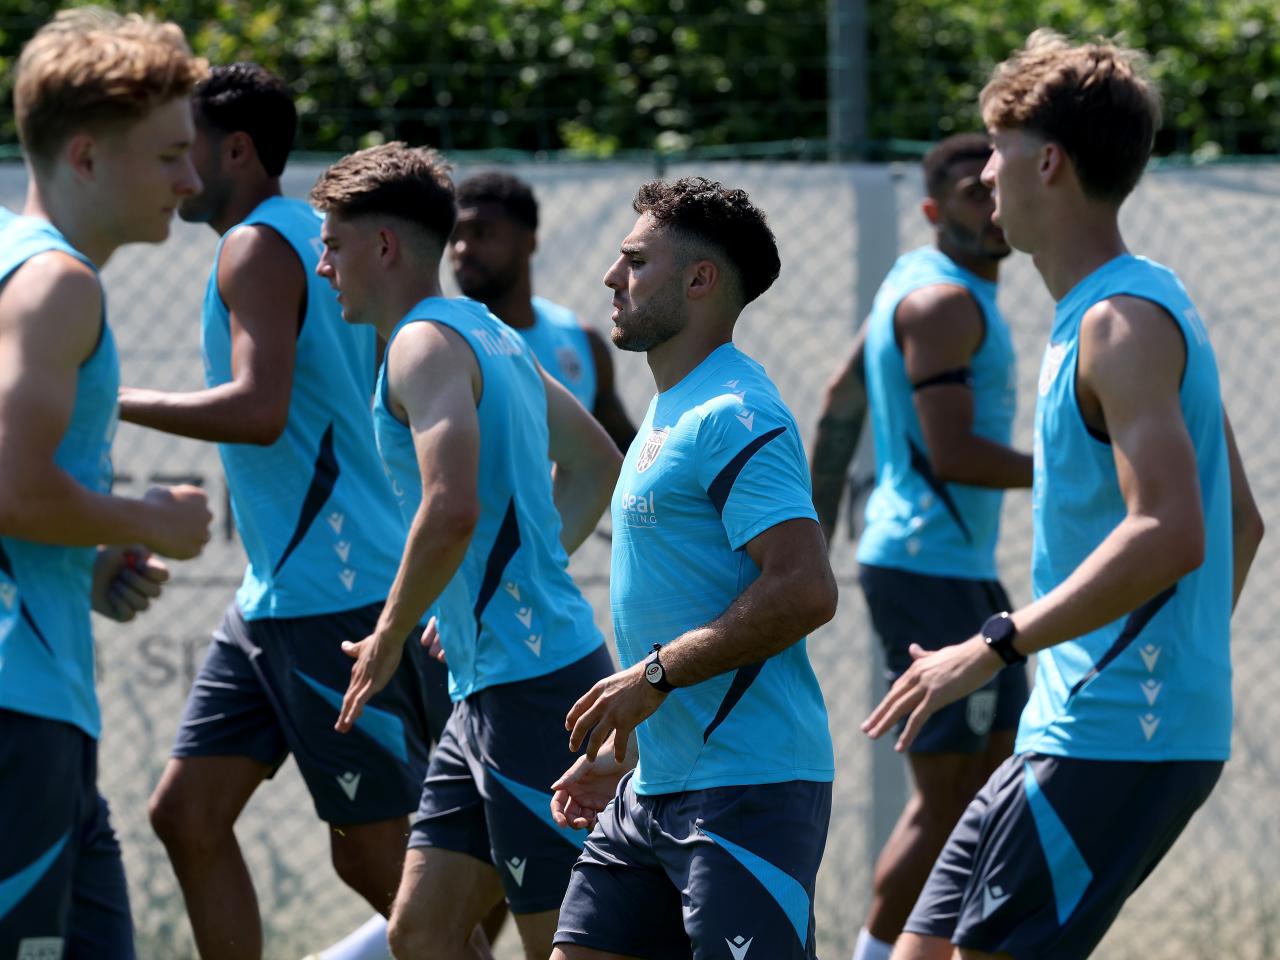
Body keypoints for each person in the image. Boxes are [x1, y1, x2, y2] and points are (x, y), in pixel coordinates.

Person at [863, 30, 1264, 960]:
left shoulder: (1121, 323)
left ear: (1047, 161)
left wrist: (994, 645)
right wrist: (1172, 661)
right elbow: (1240, 522)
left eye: (998, 152)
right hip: (1077, 721)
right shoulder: (1108, 311)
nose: (986, 175)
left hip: (1114, 733)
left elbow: (1172, 530)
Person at [117, 66, 439, 960]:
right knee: (186, 814)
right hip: (276, 595)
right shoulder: (312, 235)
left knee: (378, 862)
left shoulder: (256, 244)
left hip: (332, 593)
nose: (173, 169)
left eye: (183, 147)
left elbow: (259, 409)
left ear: (236, 150)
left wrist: (109, 398)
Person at [308, 142, 621, 960]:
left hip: (536, 690)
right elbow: (596, 465)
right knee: (422, 933)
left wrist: (388, 634)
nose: (322, 266)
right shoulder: (489, 331)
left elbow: (450, 508)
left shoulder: (422, 344)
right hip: (490, 685)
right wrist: (485, 587)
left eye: (333, 245)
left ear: (383, 246)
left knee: (568, 945)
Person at [549, 177, 838, 960]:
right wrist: (629, 754)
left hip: (747, 790)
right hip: (653, 787)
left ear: (699, 280)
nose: (612, 277)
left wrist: (653, 675)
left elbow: (805, 588)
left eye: (636, 261)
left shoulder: (735, 412)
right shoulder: (671, 407)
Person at [0, 8, 212, 956]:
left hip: (44, 708)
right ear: (85, 157)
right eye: (168, 155)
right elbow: (13, 489)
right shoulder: (59, 285)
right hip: (20, 709)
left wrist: (78, 566)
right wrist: (151, 519)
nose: (190, 180)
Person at [809, 133, 1031, 960]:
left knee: (993, 777)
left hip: (949, 568)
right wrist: (1086, 463)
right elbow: (954, 454)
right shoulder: (943, 302)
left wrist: (811, 545)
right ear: (935, 211)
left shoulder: (912, 281)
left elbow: (838, 402)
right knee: (948, 799)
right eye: (974, 193)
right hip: (926, 568)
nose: (993, 204)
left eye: (996, 186)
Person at [450, 171, 636, 451]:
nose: (462, 249)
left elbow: (623, 449)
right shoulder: (443, 341)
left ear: (529, 242)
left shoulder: (581, 341)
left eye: (482, 233)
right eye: (454, 236)